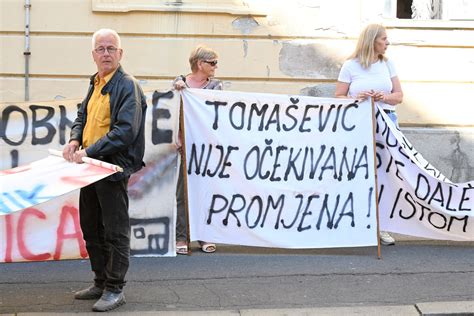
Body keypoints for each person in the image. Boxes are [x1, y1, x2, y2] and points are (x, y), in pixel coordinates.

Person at [62, 28, 147, 312]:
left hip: (111, 169)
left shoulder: (127, 85)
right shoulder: (96, 82)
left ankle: (114, 289)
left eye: (111, 48)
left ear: (120, 54)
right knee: (91, 228)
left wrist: (88, 151)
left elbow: (125, 131)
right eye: (101, 48)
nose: (106, 53)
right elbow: (82, 115)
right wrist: (75, 139)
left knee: (115, 231)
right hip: (89, 168)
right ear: (93, 55)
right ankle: (100, 281)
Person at [335, 23, 403, 246]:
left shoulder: (388, 64)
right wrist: (358, 99)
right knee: (359, 173)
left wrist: (382, 96)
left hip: (386, 122)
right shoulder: (350, 66)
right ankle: (354, 224)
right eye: (383, 39)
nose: (387, 42)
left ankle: (380, 226)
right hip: (359, 124)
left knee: (383, 175)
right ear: (372, 40)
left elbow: (399, 96)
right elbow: (338, 97)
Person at [172, 44, 223, 255]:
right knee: (183, 193)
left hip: (206, 147)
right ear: (200, 64)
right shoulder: (179, 83)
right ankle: (181, 236)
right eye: (212, 63)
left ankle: (204, 235)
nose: (215, 67)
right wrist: (176, 136)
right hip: (185, 146)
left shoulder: (216, 87)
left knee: (205, 191)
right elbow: (171, 111)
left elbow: (219, 114)